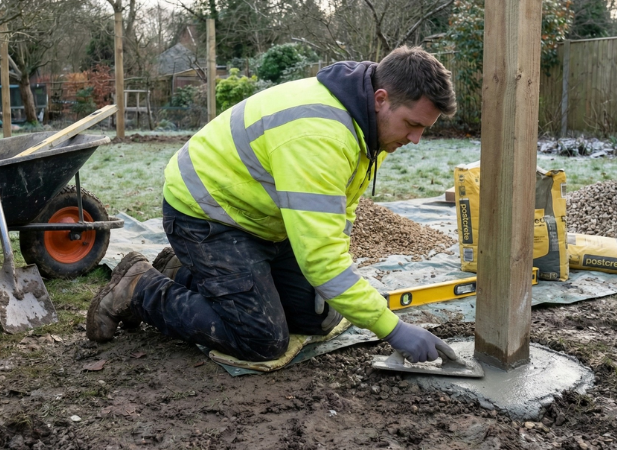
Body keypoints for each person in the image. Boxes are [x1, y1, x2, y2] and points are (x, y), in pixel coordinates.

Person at [87, 46, 458, 364]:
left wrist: (335, 275)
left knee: (316, 319)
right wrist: (393, 328)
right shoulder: (320, 136)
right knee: (261, 338)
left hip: (263, 220)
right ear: (381, 98)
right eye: (413, 124)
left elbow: (341, 212)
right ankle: (140, 289)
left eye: (423, 128)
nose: (416, 139)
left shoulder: (368, 127)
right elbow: (321, 262)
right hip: (207, 215)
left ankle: (182, 270)